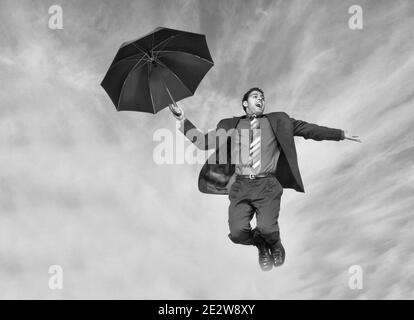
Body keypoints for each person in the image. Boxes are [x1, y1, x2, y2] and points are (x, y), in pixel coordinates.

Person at [169, 87, 361, 271]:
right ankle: (260, 244)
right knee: (237, 233)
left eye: (262, 97)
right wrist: (181, 118)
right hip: (241, 186)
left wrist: (340, 134)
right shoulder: (230, 124)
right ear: (245, 103)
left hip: (267, 184)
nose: (260, 99)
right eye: (255, 96)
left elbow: (309, 130)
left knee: (267, 228)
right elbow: (204, 142)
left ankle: (275, 242)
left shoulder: (279, 120)